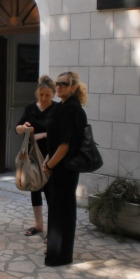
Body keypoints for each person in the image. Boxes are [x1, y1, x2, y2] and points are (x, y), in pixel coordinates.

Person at [42, 71, 88, 267]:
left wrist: (50, 164)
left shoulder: (73, 109)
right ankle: (55, 250)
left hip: (65, 169)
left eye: (63, 84)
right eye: (57, 83)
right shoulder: (62, 107)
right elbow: (54, 139)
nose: (58, 87)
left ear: (74, 87)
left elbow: (66, 145)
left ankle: (60, 255)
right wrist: (48, 159)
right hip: (55, 166)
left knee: (63, 211)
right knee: (56, 210)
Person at [15, 75, 57, 238]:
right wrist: (23, 128)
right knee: (35, 189)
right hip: (33, 156)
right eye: (41, 95)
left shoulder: (57, 109)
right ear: (37, 94)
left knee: (50, 192)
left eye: (47, 95)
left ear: (53, 93)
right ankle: (39, 225)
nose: (44, 98)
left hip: (51, 155)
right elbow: (18, 128)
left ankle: (53, 229)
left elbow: (59, 134)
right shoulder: (31, 107)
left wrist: (41, 135)